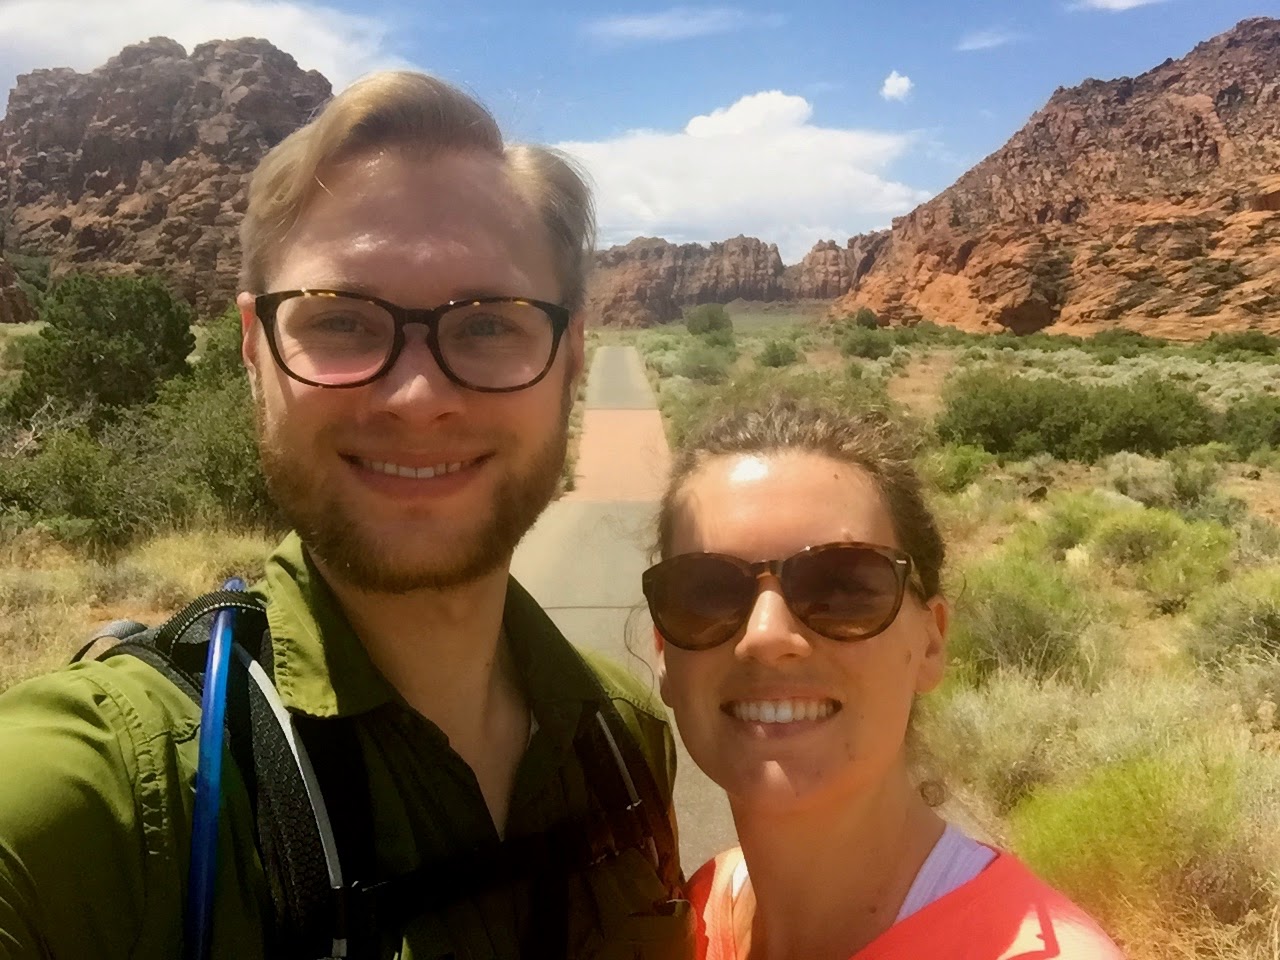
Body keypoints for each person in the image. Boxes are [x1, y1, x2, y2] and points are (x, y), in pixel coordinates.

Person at [0, 71, 690, 959]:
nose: (416, 397)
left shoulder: (626, 738)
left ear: (573, 356)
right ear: (254, 348)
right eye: (342, 322)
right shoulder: (109, 795)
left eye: (488, 325)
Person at [642, 398, 1124, 959]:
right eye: (705, 593)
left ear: (930, 643)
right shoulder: (696, 916)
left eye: (842, 588)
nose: (766, 635)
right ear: (663, 650)